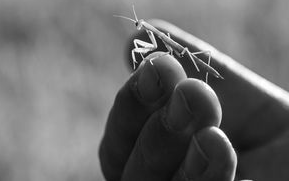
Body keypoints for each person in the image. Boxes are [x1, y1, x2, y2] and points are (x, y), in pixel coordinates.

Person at [99, 19, 289, 181]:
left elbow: (168, 52)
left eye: (140, 24)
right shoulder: (154, 38)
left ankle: (204, 89)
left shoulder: (157, 38)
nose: (138, 25)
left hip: (194, 61)